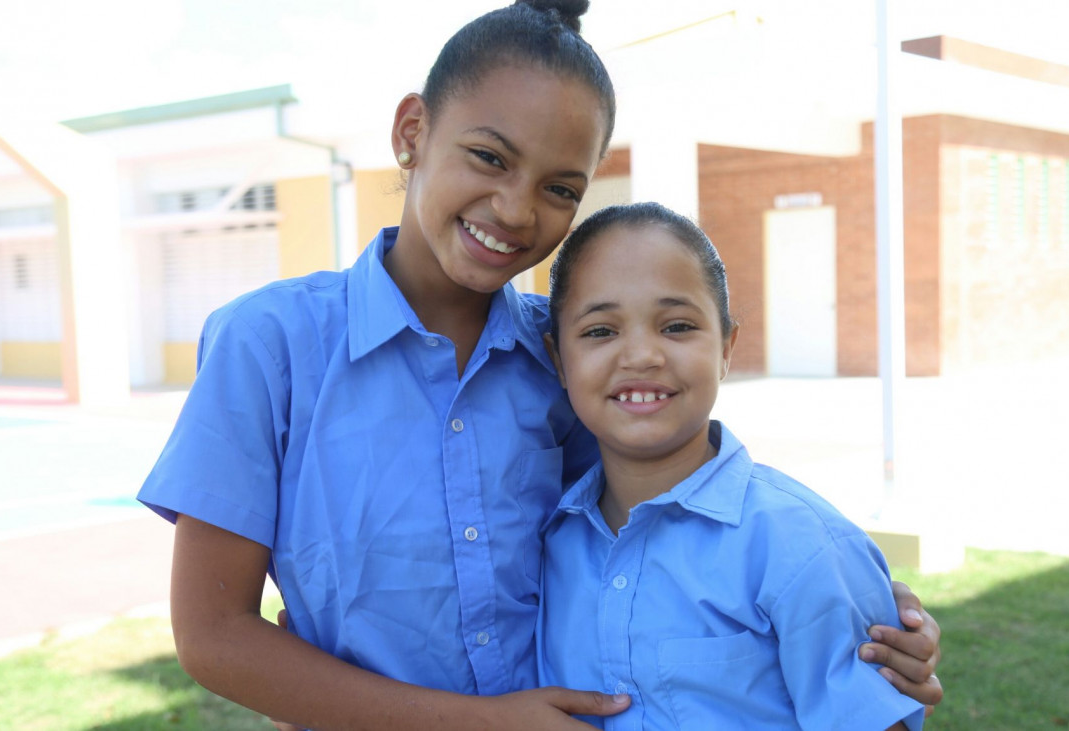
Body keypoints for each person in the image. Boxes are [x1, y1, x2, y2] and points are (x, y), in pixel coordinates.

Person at [137, 2, 941, 729]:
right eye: (489, 157)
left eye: (560, 187)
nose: (518, 210)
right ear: (412, 130)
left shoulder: (564, 355)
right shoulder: (269, 344)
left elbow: (665, 531)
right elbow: (214, 636)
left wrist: (853, 613)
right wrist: (478, 723)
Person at [537, 202, 928, 729]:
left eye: (676, 326)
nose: (641, 355)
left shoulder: (801, 545)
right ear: (558, 360)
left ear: (726, 347)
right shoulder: (547, 541)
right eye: (600, 331)